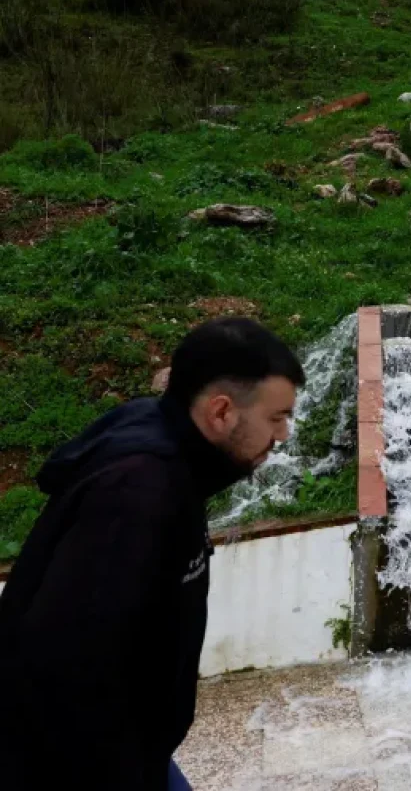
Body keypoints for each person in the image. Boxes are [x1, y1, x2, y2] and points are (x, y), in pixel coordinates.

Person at [0, 317, 306, 791]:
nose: (283, 434)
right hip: (73, 763)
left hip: (130, 745)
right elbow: (68, 668)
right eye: (275, 417)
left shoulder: (164, 441)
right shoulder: (138, 494)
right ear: (221, 412)